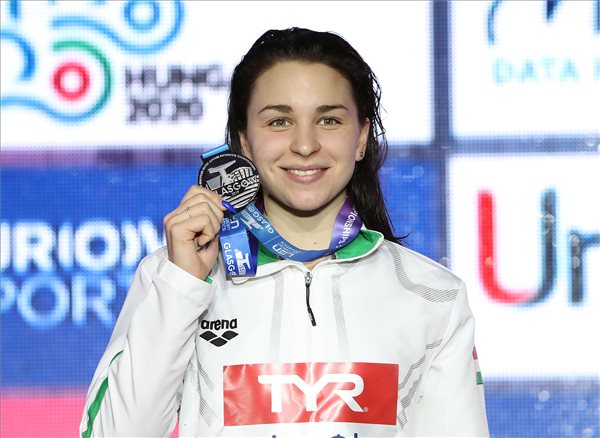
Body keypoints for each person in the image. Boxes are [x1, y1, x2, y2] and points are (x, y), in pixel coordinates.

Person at [80, 27, 489, 437]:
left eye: (328, 120)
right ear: (244, 141)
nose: (305, 145)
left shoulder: (433, 294)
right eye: (279, 121)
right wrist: (183, 285)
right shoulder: (173, 276)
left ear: (362, 137)